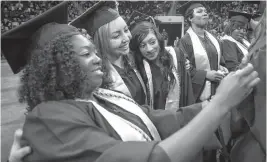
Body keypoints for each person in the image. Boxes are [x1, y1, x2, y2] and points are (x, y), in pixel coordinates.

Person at [3, 2, 260, 162]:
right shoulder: (50, 120)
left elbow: (159, 118)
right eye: (85, 54)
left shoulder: (100, 97)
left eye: (94, 51)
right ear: (58, 68)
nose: (97, 59)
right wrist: (220, 105)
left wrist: (221, 101)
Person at [177, 2, 230, 161]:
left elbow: (219, 61)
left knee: (220, 133)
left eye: (206, 11)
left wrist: (222, 68)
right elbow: (184, 70)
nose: (205, 13)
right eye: (200, 11)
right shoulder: (185, 41)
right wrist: (206, 74)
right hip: (200, 95)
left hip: (218, 90)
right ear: (190, 18)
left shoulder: (213, 37)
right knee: (206, 138)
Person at [70, 2, 149, 107]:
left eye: (126, 30)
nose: (126, 38)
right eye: (116, 36)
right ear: (101, 42)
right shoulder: (97, 77)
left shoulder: (135, 58)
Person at [130, 21, 195, 110]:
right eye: (142, 45)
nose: (149, 49)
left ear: (159, 40)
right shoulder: (139, 71)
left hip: (180, 119)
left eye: (152, 42)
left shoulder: (176, 56)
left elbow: (188, 92)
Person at [230, 9, 266, 162]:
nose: (241, 31)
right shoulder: (261, 53)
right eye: (238, 27)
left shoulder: (259, 49)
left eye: (243, 28)